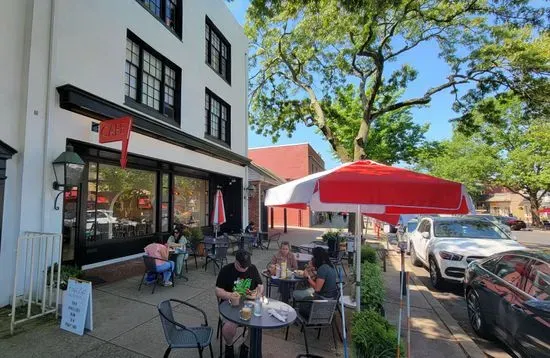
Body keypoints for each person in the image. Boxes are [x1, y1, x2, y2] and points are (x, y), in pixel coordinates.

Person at [215, 250, 264, 358]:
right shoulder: (226, 270)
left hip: (249, 305)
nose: (245, 268)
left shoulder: (252, 268)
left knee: (257, 327)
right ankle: (229, 346)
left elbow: (260, 285)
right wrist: (230, 295)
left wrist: (259, 293)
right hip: (230, 306)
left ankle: (245, 346)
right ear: (235, 262)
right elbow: (218, 291)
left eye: (246, 266)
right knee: (228, 328)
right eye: (242, 266)